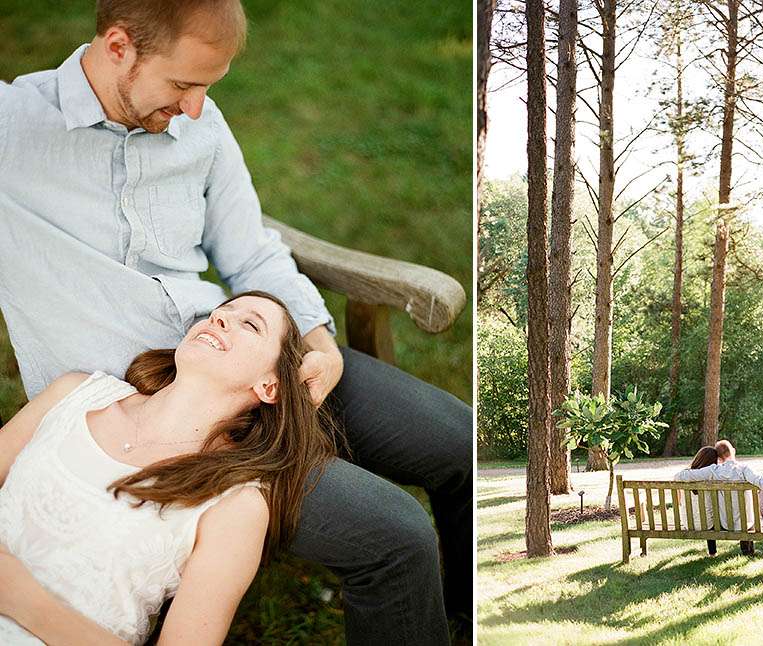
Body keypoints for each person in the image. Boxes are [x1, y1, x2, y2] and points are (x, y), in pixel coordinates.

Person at [0, 1, 471, 644]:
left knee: (460, 445)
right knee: (394, 536)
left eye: (209, 88)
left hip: (253, 350)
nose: (196, 109)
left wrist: (317, 341)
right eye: (183, 85)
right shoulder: (13, 130)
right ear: (118, 47)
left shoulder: (198, 123)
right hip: (168, 415)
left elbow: (249, 250)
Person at [0, 292, 336, 644]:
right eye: (219, 312)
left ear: (271, 387)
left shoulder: (236, 504)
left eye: (250, 324)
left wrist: (27, 603)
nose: (218, 318)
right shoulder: (75, 393)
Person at [674, 440, 763, 556]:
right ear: (734, 451)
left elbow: (681, 475)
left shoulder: (713, 471)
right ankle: (748, 550)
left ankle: (718, 551)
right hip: (747, 524)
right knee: (762, 492)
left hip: (726, 524)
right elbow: (762, 481)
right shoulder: (744, 469)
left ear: (719, 458)